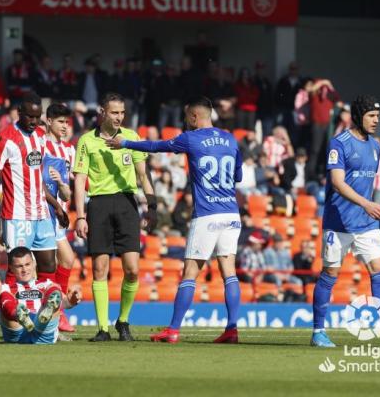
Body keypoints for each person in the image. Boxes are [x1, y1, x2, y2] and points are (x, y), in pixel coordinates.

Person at [107, 96, 243, 344]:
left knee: (190, 272)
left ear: (194, 117)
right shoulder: (231, 139)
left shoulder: (191, 138)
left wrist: (125, 143)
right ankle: (232, 329)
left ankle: (173, 329)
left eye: (186, 117)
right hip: (231, 213)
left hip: (207, 215)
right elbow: (238, 176)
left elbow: (157, 146)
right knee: (229, 272)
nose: (184, 121)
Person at [311, 95, 380, 348]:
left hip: (365, 224)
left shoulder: (376, 146)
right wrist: (367, 203)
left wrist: (368, 207)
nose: (376, 121)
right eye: (371, 116)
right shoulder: (339, 143)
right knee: (330, 274)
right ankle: (318, 332)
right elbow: (337, 183)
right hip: (338, 223)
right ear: (358, 116)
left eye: (378, 117)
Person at [74, 92, 156, 342]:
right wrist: (80, 216)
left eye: (122, 113)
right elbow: (79, 181)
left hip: (127, 203)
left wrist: (152, 207)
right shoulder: (87, 141)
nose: (119, 117)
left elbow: (143, 175)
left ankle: (123, 321)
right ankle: (102, 328)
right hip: (98, 204)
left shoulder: (132, 138)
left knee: (132, 269)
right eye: (114, 112)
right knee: (100, 268)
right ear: (102, 112)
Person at [0, 92, 68, 286]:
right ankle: (11, 315)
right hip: (17, 216)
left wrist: (57, 206)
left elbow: (37, 178)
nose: (34, 121)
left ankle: (44, 314)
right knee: (17, 269)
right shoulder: (4, 138)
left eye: (37, 116)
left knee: (49, 265)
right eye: (29, 116)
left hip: (41, 214)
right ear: (19, 112)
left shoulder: (40, 136)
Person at [0, 247, 81, 344]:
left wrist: (71, 301)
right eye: (19, 266)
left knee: (54, 289)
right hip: (17, 333)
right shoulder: (5, 287)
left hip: (43, 333)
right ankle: (19, 315)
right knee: (4, 294)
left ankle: (44, 314)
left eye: (27, 264)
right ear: (11, 268)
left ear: (34, 264)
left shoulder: (46, 284)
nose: (24, 269)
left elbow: (65, 303)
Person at [44, 103, 77, 333]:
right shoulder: (40, 145)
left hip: (59, 214)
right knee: (51, 262)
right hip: (41, 211)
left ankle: (57, 311)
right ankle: (54, 312)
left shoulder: (68, 151)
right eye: (60, 122)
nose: (65, 127)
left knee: (66, 260)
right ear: (48, 122)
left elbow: (69, 188)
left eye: (67, 122)